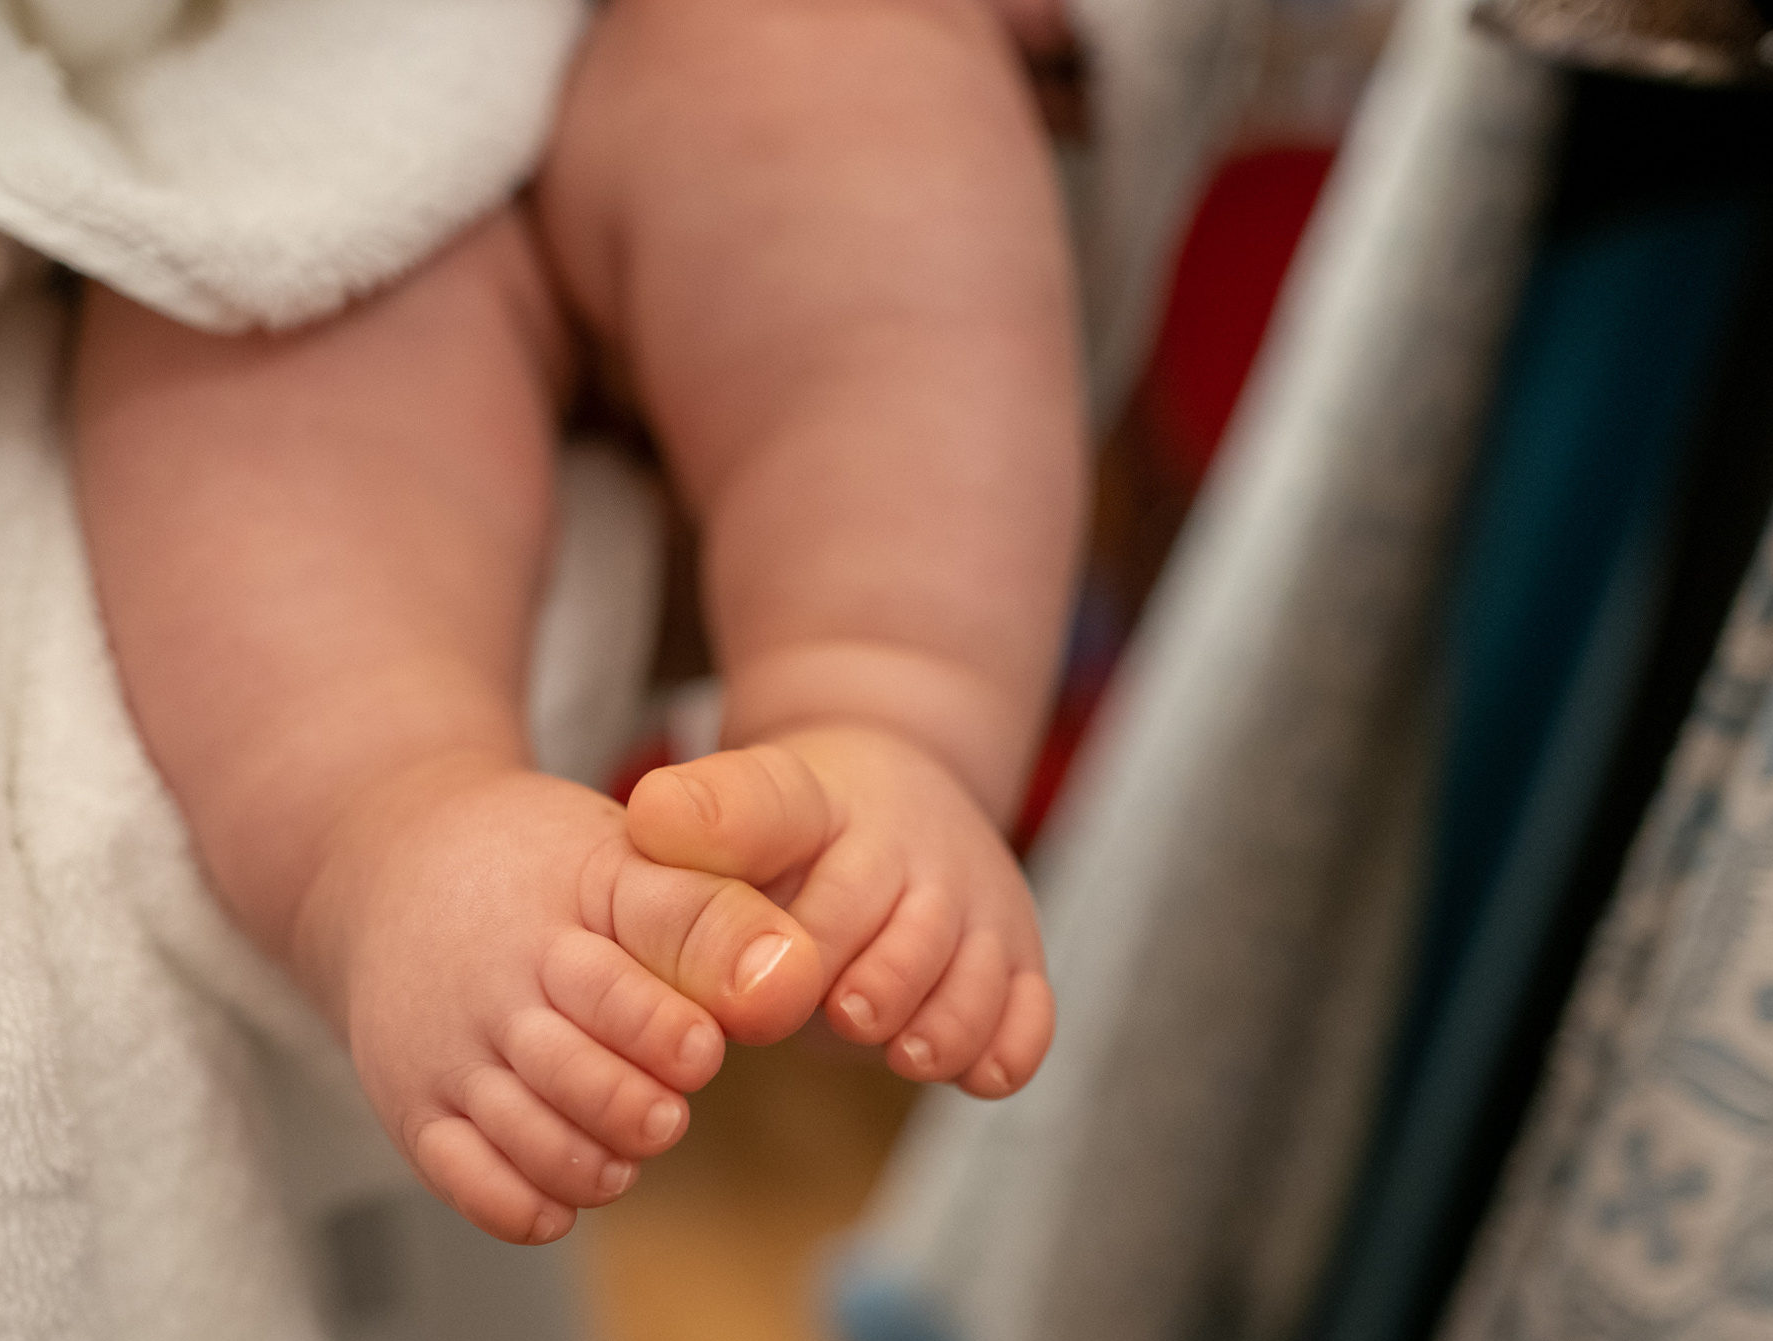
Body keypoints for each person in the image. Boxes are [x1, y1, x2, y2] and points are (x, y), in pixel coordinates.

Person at [72, 0, 1088, 1245]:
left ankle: (885, 706)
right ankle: (390, 824)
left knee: (865, 113)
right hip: (301, 88)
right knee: (255, 315)